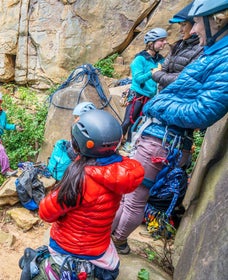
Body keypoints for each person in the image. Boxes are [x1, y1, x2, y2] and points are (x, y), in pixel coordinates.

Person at [112, 0, 228, 255]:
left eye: (196, 22)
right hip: (161, 138)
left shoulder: (224, 59)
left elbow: (204, 111)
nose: (193, 29)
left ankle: (115, 242)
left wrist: (157, 106)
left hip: (162, 140)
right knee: (128, 195)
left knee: (133, 199)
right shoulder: (214, 52)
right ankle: (112, 238)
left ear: (216, 20)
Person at [35, 110, 144, 279]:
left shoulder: (79, 179)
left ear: (78, 144)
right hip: (99, 246)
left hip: (67, 246)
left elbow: (46, 213)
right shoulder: (121, 172)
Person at [121, 28, 168, 152]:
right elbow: (138, 79)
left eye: (165, 40)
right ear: (151, 43)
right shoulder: (139, 60)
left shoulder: (160, 60)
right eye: (161, 40)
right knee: (127, 121)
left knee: (138, 122)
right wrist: (153, 72)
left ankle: (130, 144)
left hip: (150, 97)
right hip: (137, 94)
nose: (165, 43)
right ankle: (116, 141)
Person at [152, 2, 203, 92]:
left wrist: (157, 74)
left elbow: (185, 79)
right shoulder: (179, 45)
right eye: (180, 25)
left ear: (195, 24)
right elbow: (164, 68)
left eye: (184, 25)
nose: (180, 30)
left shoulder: (201, 49)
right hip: (165, 95)